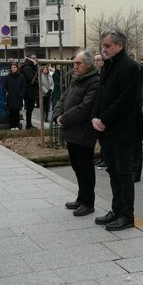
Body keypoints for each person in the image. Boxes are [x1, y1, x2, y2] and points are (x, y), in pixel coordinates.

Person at [92, 28, 143, 231]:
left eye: (107, 46)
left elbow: (125, 100)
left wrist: (104, 119)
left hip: (123, 129)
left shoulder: (130, 67)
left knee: (124, 173)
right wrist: (95, 117)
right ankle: (116, 209)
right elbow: (101, 93)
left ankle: (127, 215)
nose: (104, 49)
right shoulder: (108, 65)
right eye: (103, 46)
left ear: (119, 45)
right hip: (107, 129)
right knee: (113, 171)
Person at [53, 51, 100, 216]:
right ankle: (81, 197)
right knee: (76, 166)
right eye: (74, 63)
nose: (75, 66)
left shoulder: (94, 81)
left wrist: (64, 118)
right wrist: (57, 114)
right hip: (71, 131)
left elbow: (85, 107)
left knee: (85, 168)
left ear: (89, 64)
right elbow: (62, 98)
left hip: (83, 131)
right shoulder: (76, 80)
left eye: (78, 63)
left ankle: (88, 202)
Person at [4, 63, 25, 130]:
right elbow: (5, 86)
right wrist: (7, 92)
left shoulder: (21, 76)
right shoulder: (7, 77)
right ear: (10, 69)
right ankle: (11, 126)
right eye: (12, 67)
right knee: (11, 111)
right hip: (10, 96)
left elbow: (23, 86)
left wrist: (21, 93)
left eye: (15, 67)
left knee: (17, 111)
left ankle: (17, 125)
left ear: (17, 68)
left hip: (18, 96)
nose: (13, 69)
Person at [21, 54, 38, 129]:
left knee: (30, 109)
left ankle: (29, 124)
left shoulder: (30, 67)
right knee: (29, 109)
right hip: (29, 91)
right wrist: (39, 83)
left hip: (31, 91)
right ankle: (28, 125)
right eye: (33, 58)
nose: (35, 59)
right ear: (29, 59)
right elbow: (31, 80)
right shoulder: (27, 68)